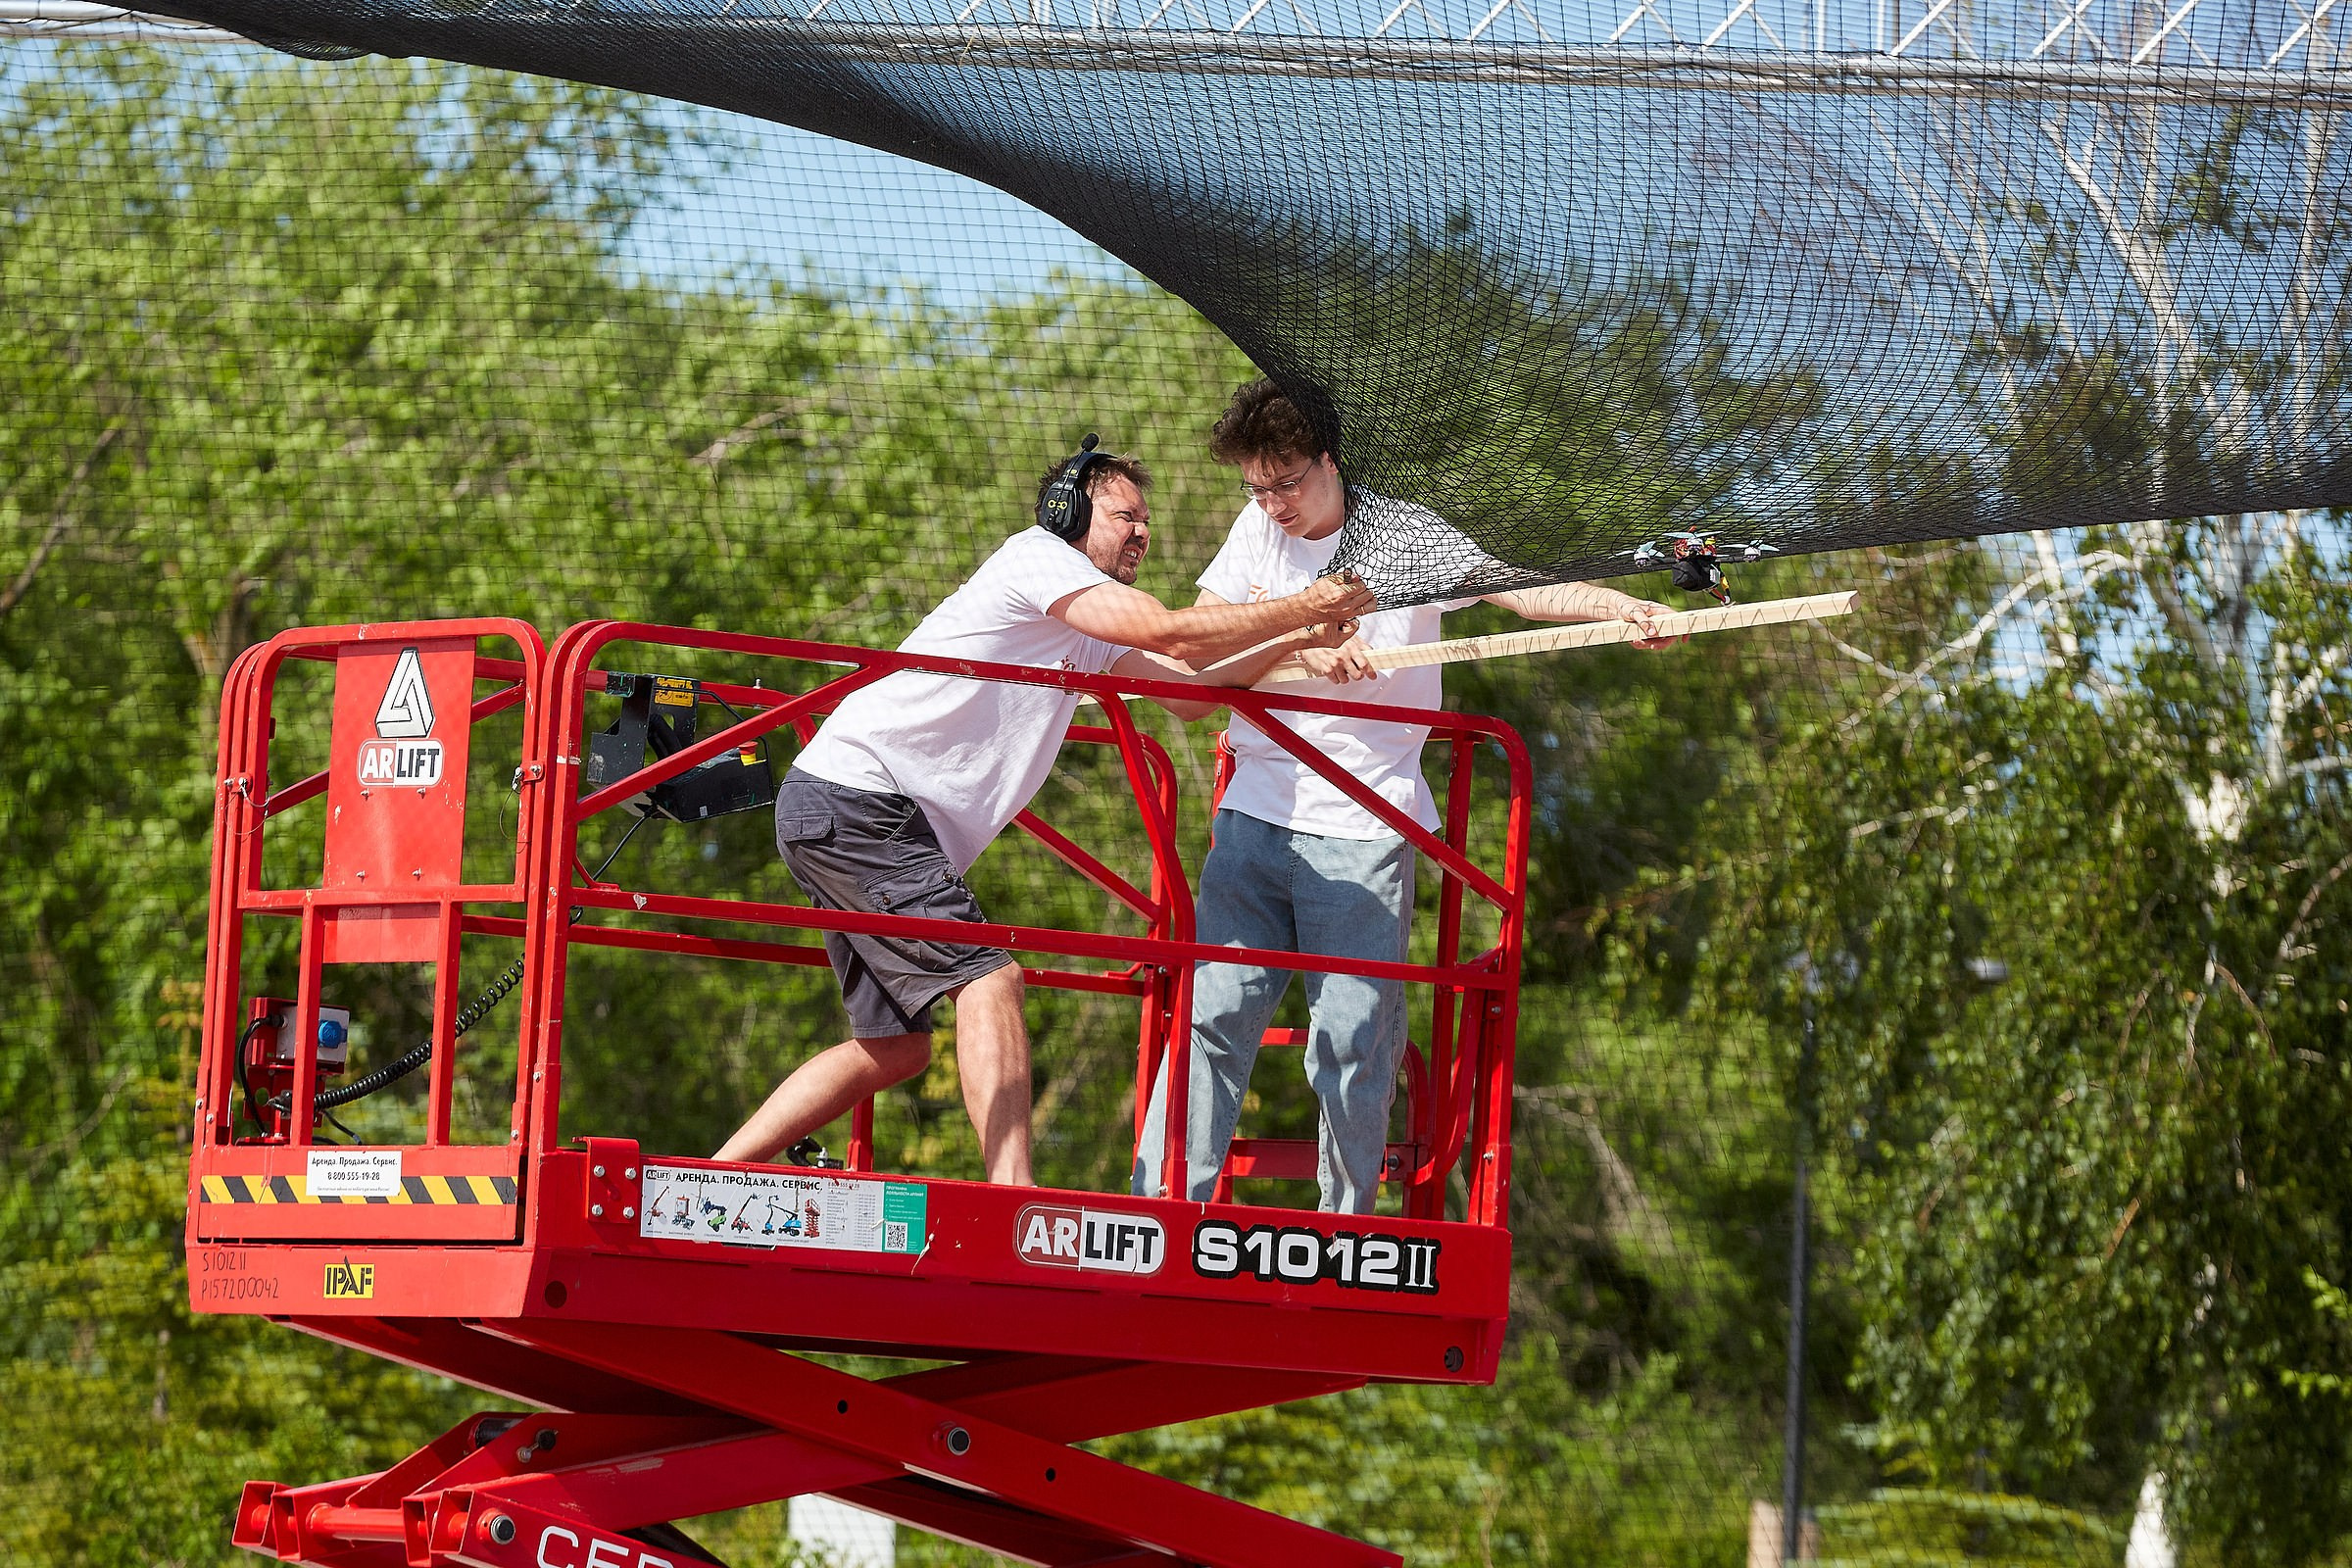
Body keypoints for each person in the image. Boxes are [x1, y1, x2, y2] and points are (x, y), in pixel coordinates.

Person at [716, 439, 1376, 1185]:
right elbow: (1166, 629)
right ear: (1069, 511)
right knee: (991, 979)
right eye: (1126, 514)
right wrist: (1306, 604)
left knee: (897, 1048)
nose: (1143, 532)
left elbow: (1189, 694)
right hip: (861, 801)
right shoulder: (1037, 560)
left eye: (1146, 520)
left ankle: (712, 1171)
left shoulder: (1083, 626)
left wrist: (1294, 635)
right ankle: (1012, 1198)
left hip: (854, 811)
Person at [1134, 380, 1677, 1213]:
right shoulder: (1254, 534)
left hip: (1364, 821)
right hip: (1255, 813)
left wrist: (1624, 607)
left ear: (1330, 461)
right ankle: (1161, 1203)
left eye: (1287, 482)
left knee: (1352, 1039)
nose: (1272, 503)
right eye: (1257, 487)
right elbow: (1198, 660)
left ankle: (1344, 1231)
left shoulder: (1402, 533)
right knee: (1212, 1014)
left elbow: (1525, 588)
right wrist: (1295, 646)